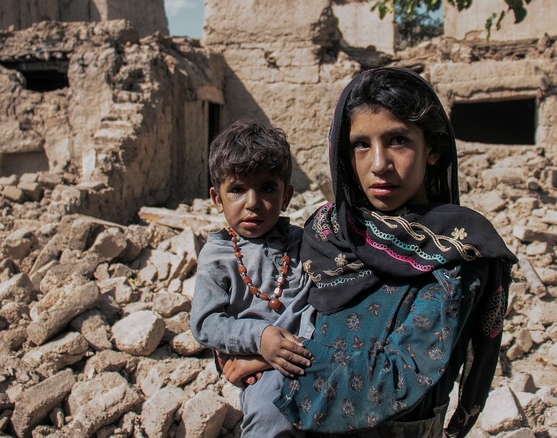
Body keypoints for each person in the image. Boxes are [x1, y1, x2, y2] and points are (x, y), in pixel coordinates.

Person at [269, 67, 518, 437]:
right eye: (361, 145)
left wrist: (269, 363)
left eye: (398, 140)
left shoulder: (457, 250)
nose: (379, 164)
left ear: (432, 149)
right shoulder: (327, 232)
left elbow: (393, 383)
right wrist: (254, 343)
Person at [190, 120, 316, 438]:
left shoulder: (303, 242)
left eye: (267, 188)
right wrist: (260, 340)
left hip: (318, 354)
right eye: (237, 189)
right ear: (217, 199)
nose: (252, 202)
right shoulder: (217, 256)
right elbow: (205, 323)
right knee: (269, 415)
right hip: (269, 377)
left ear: (286, 196)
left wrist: (255, 361)